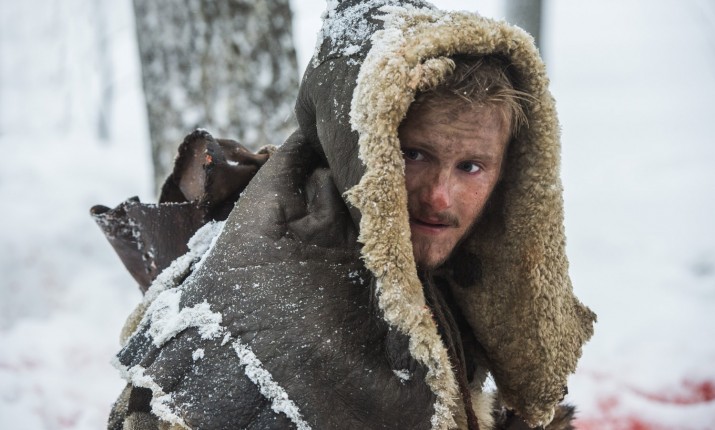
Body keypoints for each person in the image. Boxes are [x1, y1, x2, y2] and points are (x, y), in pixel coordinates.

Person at [94, 1, 596, 429]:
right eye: (413, 155)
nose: (441, 198)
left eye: (470, 167)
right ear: (359, 146)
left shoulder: (445, 269)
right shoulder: (269, 310)